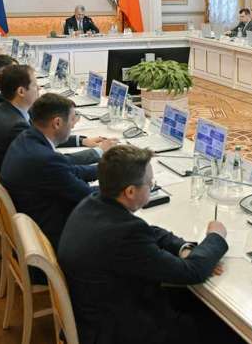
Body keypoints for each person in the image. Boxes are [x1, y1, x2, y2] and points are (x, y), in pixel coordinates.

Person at [58, 145, 236, 344]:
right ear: (130, 191)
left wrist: (183, 248)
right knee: (228, 330)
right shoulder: (125, 234)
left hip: (97, 312)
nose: (152, 186)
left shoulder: (93, 203)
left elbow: (148, 231)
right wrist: (215, 236)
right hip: (120, 331)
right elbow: (192, 272)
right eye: (149, 183)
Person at [1, 94, 110, 248]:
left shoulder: (26, 138)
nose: (73, 126)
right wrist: (125, 185)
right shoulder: (45, 159)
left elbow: (68, 170)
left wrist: (108, 170)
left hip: (30, 218)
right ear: (57, 123)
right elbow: (87, 195)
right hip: (50, 234)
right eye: (72, 119)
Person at [0, 65, 108, 172]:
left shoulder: (3, 109)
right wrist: (99, 152)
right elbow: (55, 161)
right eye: (35, 85)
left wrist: (82, 141)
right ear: (21, 92)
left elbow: (47, 135)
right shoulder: (16, 126)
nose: (39, 88)